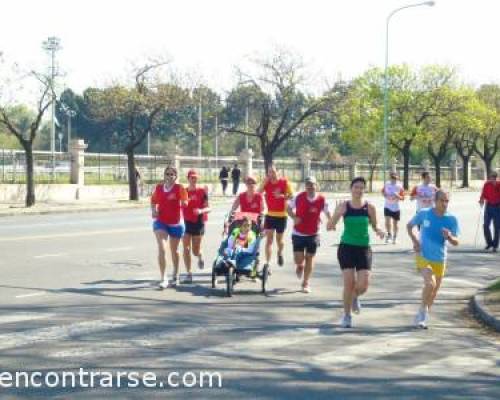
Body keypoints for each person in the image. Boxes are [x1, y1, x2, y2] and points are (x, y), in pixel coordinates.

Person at [327, 177, 384, 328]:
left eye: (361, 188)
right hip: (346, 247)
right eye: (356, 187)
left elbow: (375, 224)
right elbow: (329, 226)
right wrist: (336, 214)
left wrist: (379, 230)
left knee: (363, 285)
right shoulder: (344, 207)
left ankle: (354, 297)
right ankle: (346, 316)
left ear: (364, 190)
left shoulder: (369, 207)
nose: (358, 190)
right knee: (349, 283)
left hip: (363, 248)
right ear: (351, 189)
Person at [407, 190, 459, 329]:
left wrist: (449, 237)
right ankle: (423, 314)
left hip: (440, 257)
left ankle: (422, 313)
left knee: (434, 291)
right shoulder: (424, 213)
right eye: (442, 200)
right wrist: (415, 241)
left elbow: (456, 242)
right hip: (423, 255)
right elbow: (409, 226)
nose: (444, 203)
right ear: (435, 201)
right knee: (430, 284)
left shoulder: (451, 219)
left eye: (447, 201)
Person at [287, 176, 331, 293]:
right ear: (305, 186)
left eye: (312, 184)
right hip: (298, 233)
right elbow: (288, 208)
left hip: (314, 233)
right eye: (308, 184)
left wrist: (331, 222)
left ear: (316, 186)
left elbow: (327, 212)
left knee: (310, 258)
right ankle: (300, 266)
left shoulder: (322, 199)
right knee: (298, 259)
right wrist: (294, 217)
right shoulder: (298, 197)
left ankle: (305, 283)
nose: (310, 187)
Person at [151, 166, 188, 289]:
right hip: (161, 222)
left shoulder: (179, 188)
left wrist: (184, 203)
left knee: (174, 250)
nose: (169, 176)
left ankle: (176, 274)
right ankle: (163, 278)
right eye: (167, 174)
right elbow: (153, 201)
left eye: (172, 174)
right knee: (162, 248)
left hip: (176, 223)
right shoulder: (159, 188)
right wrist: (153, 210)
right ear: (164, 175)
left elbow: (185, 201)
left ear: (176, 176)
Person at [259, 164, 293, 270]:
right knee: (269, 240)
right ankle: (267, 264)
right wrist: (263, 183)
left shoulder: (284, 182)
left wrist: (282, 196)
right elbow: (258, 193)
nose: (271, 174)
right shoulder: (266, 183)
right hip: (269, 215)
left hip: (282, 215)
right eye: (269, 172)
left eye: (273, 172)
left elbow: (291, 196)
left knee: (279, 241)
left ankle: (279, 252)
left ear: (277, 172)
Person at [182, 169, 211, 284]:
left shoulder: (202, 192)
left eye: (195, 178)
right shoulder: (183, 192)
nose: (193, 180)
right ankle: (189, 274)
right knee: (186, 249)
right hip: (185, 222)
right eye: (191, 178)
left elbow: (209, 208)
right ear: (188, 179)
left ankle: (200, 256)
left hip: (198, 223)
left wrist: (200, 210)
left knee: (195, 250)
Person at [479, 171, 500, 252]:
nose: (492, 179)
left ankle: (495, 245)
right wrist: (481, 200)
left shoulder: (499, 185)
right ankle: (489, 243)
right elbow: (483, 194)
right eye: (491, 177)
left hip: (498, 207)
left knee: (497, 227)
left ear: (496, 178)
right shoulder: (487, 184)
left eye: (494, 177)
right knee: (486, 225)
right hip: (488, 207)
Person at [382, 172, 405, 244]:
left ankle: (395, 237)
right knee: (387, 222)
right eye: (392, 178)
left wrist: (398, 196)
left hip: (396, 208)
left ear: (397, 178)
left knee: (395, 224)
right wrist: (385, 195)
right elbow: (383, 192)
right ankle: (389, 235)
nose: (393, 179)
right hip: (387, 206)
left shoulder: (399, 186)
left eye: (395, 178)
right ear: (390, 178)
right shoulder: (386, 184)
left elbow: (403, 198)